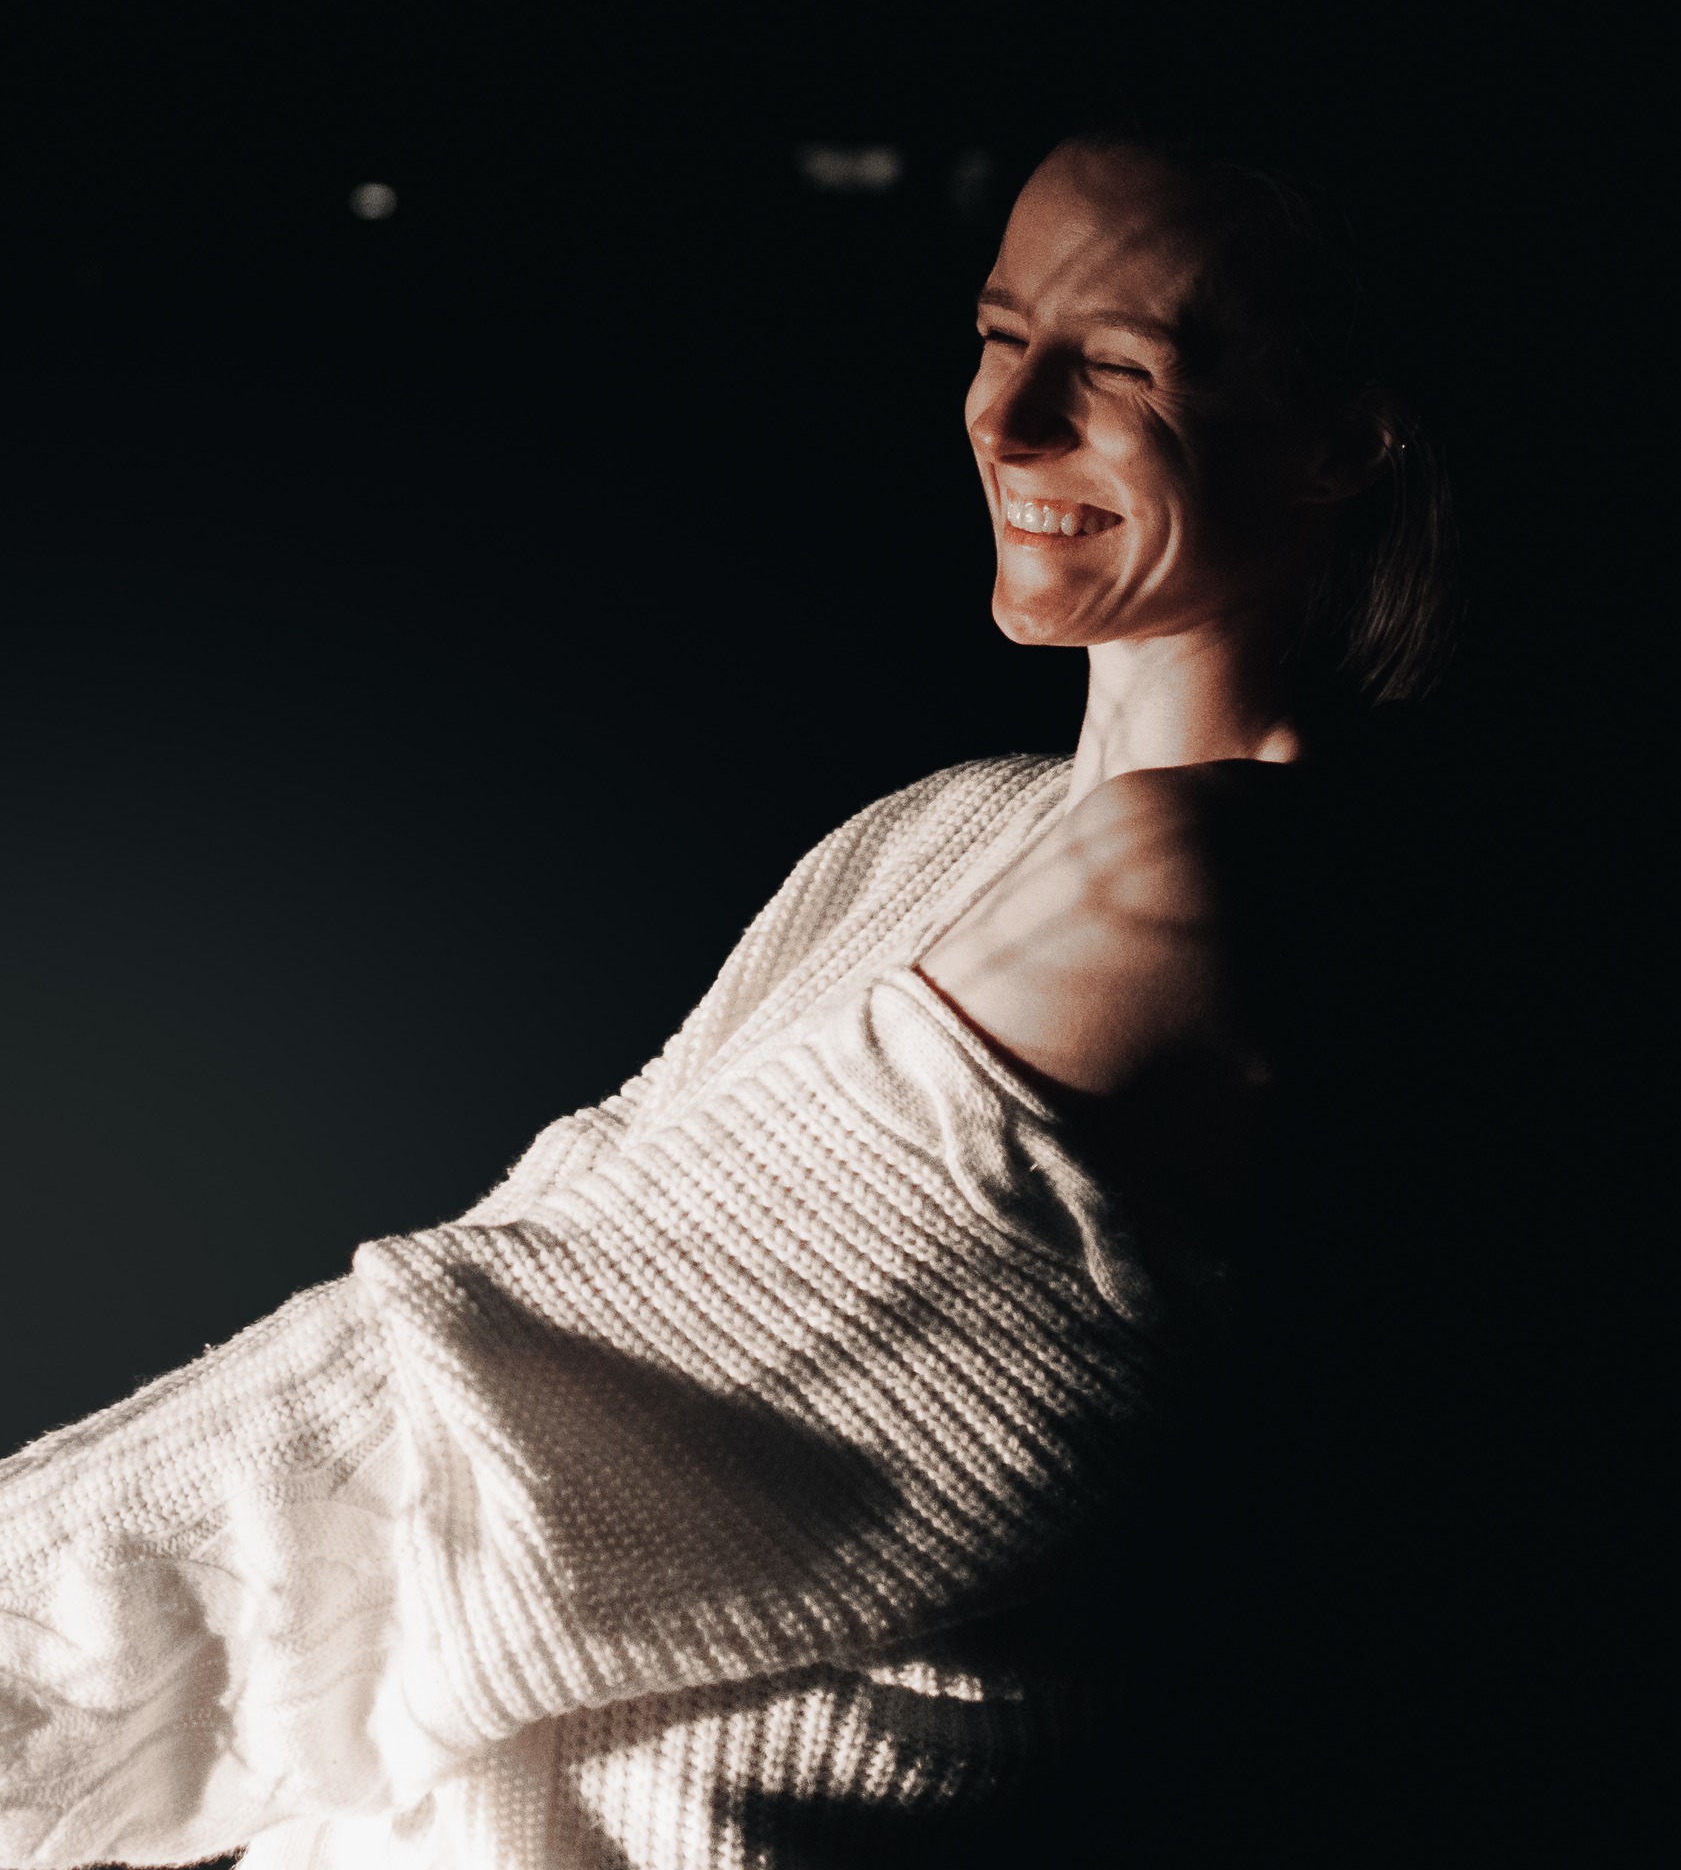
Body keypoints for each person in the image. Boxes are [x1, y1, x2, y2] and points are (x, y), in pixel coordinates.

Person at [0, 128, 1457, 1868]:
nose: (1007, 421)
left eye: (1120, 367)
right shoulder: (949, 834)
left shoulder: (1194, 909)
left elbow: (448, 1457)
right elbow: (541, 1267)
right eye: (1001, 336)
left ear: (1346, 437)